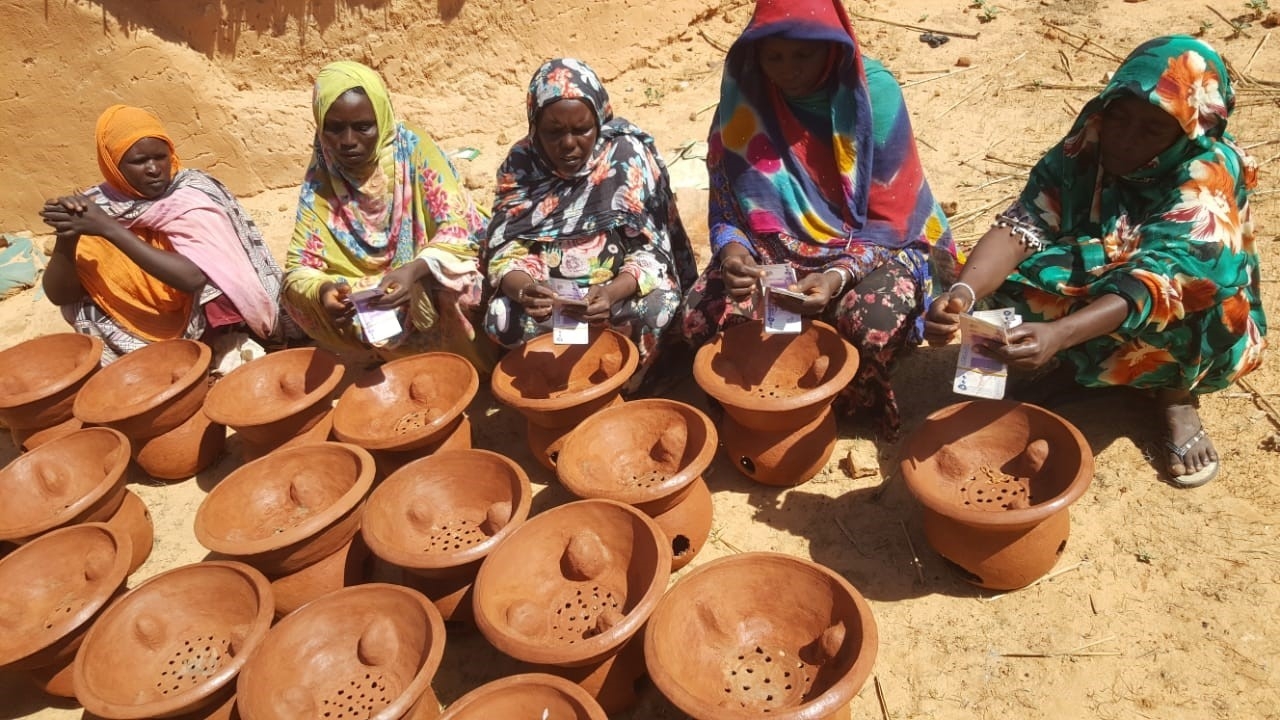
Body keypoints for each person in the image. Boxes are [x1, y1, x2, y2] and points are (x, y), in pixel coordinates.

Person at [924, 36, 1265, 488]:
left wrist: (1060, 333)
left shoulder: (1207, 173)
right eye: (1119, 117)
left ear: (1188, 131)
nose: (1123, 139)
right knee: (1007, 279)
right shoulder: (1091, 140)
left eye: (1151, 130)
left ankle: (1175, 396)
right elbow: (1027, 221)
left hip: (1177, 296)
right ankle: (1081, 370)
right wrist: (963, 293)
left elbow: (1158, 282)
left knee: (1202, 306)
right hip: (1111, 259)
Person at [681, 0, 958, 438]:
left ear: (831, 46)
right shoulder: (743, 99)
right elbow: (728, 208)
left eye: (802, 55)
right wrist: (733, 251)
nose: (787, 70)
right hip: (774, 248)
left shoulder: (873, 95)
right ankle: (767, 405)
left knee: (872, 324)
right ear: (756, 54)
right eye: (774, 57)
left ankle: (846, 402)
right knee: (702, 317)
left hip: (877, 244)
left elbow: (890, 218)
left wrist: (835, 277)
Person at [484, 58, 698, 395]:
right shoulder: (521, 165)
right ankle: (560, 380)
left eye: (581, 129)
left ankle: (631, 378)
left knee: (663, 305)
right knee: (500, 316)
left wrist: (612, 293)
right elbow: (506, 248)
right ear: (534, 127)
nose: (568, 144)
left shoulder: (625, 158)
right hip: (550, 301)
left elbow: (652, 250)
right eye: (553, 132)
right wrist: (526, 290)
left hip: (615, 295)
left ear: (599, 121)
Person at [283, 60, 494, 371]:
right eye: (334, 128)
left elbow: (458, 229)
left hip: (425, 270)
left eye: (363, 126)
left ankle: (474, 368)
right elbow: (299, 267)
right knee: (298, 298)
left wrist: (415, 271)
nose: (348, 141)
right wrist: (324, 292)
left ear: (381, 119)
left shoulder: (413, 150)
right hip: (377, 286)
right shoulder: (322, 175)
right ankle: (406, 364)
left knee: (462, 286)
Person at [39, 105, 287, 365]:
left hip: (198, 314)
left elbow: (193, 278)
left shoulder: (190, 192)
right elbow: (60, 296)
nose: (154, 169)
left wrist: (109, 229)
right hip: (139, 322)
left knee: (217, 275)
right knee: (81, 305)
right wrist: (67, 237)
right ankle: (150, 366)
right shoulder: (95, 207)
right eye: (138, 161)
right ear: (112, 165)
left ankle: (217, 348)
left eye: (160, 157)